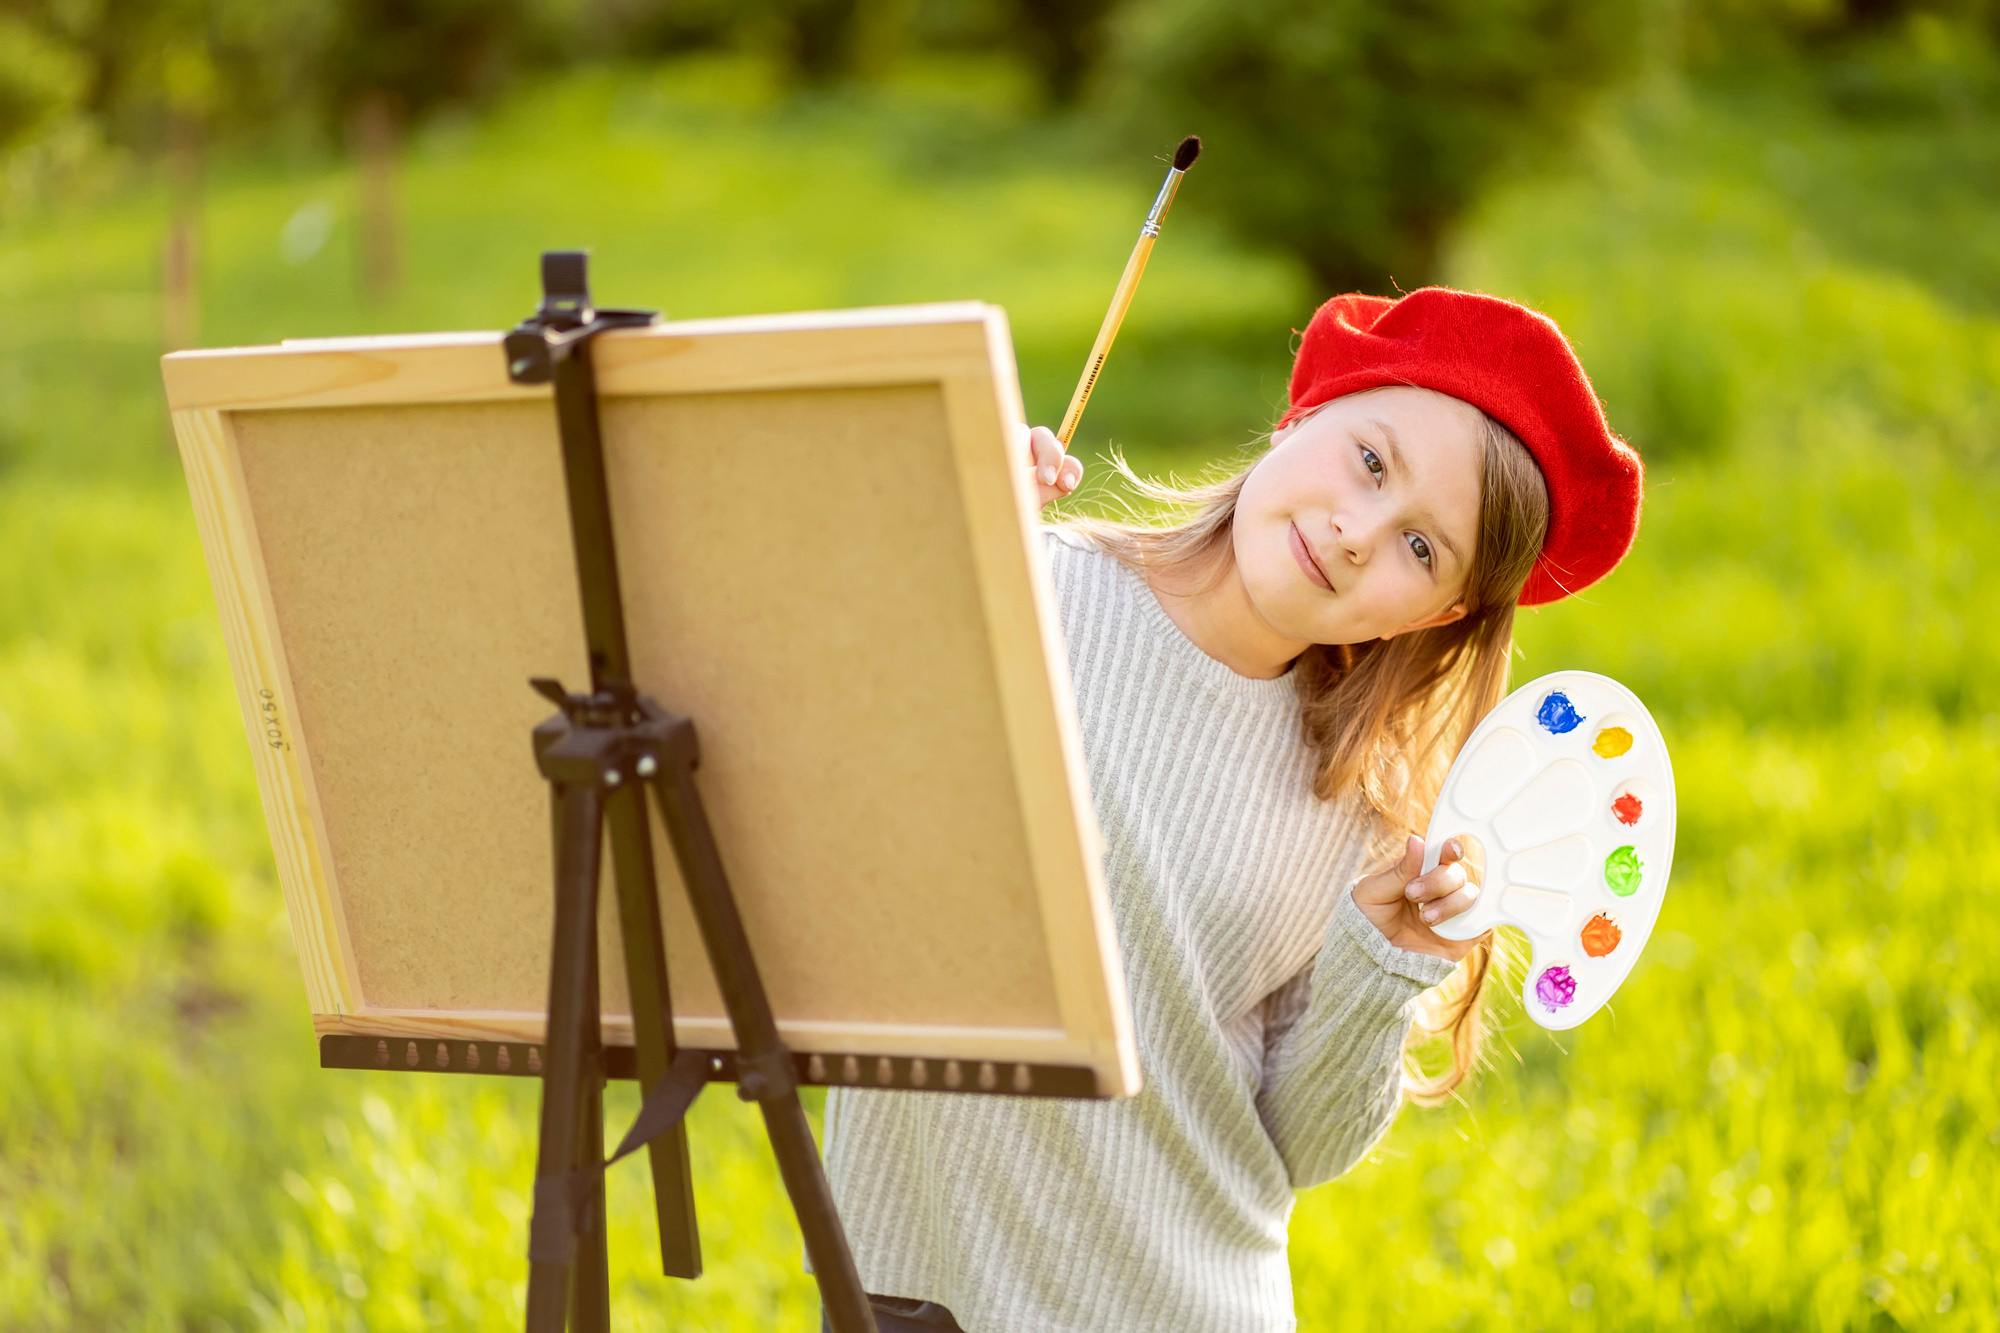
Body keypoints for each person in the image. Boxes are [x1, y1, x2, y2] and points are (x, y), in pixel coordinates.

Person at [819, 288, 1645, 1332]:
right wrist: (923, 558)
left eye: (1420, 547)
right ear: (1307, 408)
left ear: (1437, 613)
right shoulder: (1018, 584)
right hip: (913, 1285)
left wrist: (1377, 959)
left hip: (1175, 1303)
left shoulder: (1361, 811)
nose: (1355, 531)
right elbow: (808, 800)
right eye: (1370, 461)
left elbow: (1303, 1144)